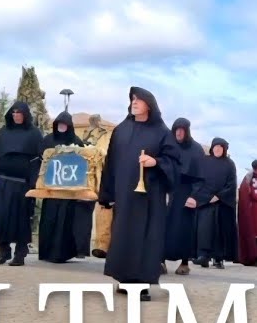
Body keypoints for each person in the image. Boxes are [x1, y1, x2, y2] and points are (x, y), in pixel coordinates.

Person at [97, 88, 181, 300]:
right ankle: (124, 280)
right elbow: (111, 163)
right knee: (124, 236)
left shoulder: (162, 132)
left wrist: (157, 162)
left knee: (146, 238)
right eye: (132, 100)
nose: (134, 103)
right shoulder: (121, 130)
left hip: (150, 198)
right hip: (125, 196)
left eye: (139, 100)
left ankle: (142, 284)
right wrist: (106, 194)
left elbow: (174, 162)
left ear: (149, 105)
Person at [0, 101, 43, 266]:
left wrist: (33, 183)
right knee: (0, 217)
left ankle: (20, 254)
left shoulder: (34, 134)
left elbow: (38, 161)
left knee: (22, 220)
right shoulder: (3, 132)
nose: (16, 115)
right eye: (13, 112)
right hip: (2, 183)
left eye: (19, 112)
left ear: (25, 115)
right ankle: (3, 252)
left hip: (23, 185)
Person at [37, 111, 95, 263]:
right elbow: (40, 161)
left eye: (65, 124)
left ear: (69, 126)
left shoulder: (76, 141)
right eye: (59, 124)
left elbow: (84, 162)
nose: (62, 127)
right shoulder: (47, 140)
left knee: (65, 222)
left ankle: (61, 254)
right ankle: (46, 252)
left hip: (69, 191)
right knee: (49, 220)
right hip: (51, 190)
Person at [165, 117, 205, 275]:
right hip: (167, 190)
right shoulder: (168, 146)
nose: (179, 132)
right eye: (177, 129)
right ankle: (160, 261)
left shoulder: (196, 150)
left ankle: (184, 262)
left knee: (184, 229)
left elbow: (200, 177)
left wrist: (194, 196)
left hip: (186, 192)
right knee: (162, 227)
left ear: (187, 131)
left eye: (182, 130)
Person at [192, 137, 238, 269]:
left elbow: (232, 184)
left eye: (220, 147)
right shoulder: (205, 162)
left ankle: (218, 258)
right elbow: (198, 181)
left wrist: (219, 196)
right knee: (204, 229)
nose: (217, 149)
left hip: (223, 203)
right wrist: (205, 197)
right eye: (215, 147)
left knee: (219, 231)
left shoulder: (229, 164)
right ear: (212, 148)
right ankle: (203, 256)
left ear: (224, 149)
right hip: (205, 202)